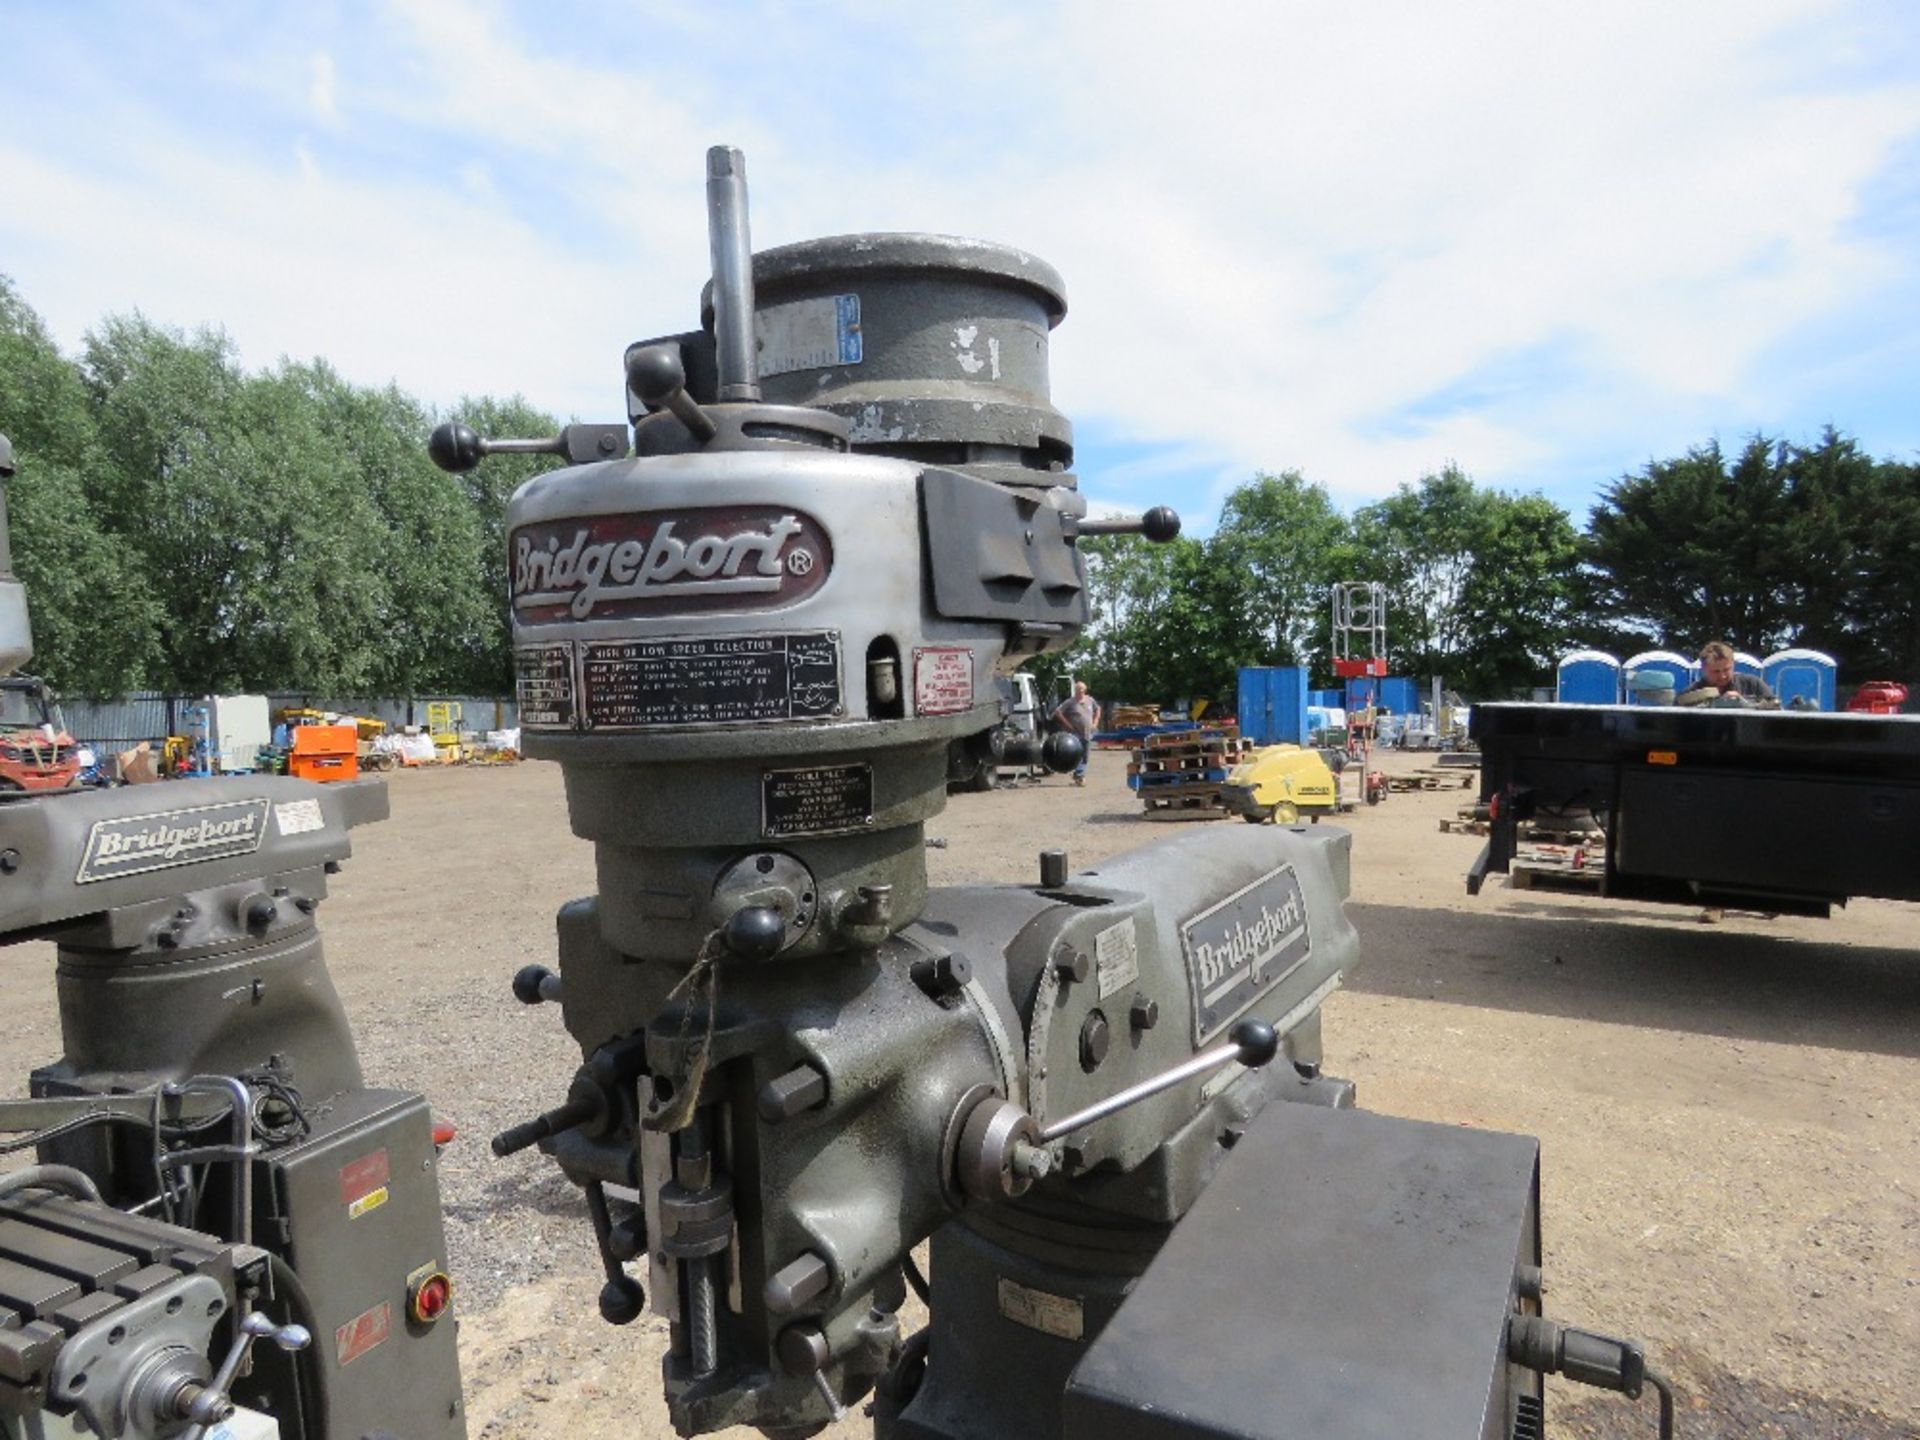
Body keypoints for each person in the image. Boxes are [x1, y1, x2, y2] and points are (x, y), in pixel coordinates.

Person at [1678, 640, 1775, 706]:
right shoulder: (1690, 694)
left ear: (1733, 665)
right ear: (1704, 669)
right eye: (1716, 671)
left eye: (1726, 670)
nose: (1722, 676)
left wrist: (1744, 703)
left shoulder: (1753, 684)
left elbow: (1775, 708)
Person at [1050, 681, 1102, 786]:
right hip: (1075, 733)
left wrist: (1095, 722)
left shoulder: (1090, 700)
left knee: (1085, 755)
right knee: (1077, 753)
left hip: (1087, 732)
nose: (1080, 692)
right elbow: (1058, 712)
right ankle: (1079, 775)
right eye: (1078, 690)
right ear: (1075, 691)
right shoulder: (1070, 702)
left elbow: (1098, 709)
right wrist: (1068, 724)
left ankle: (1078, 775)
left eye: (1082, 689)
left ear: (1085, 690)